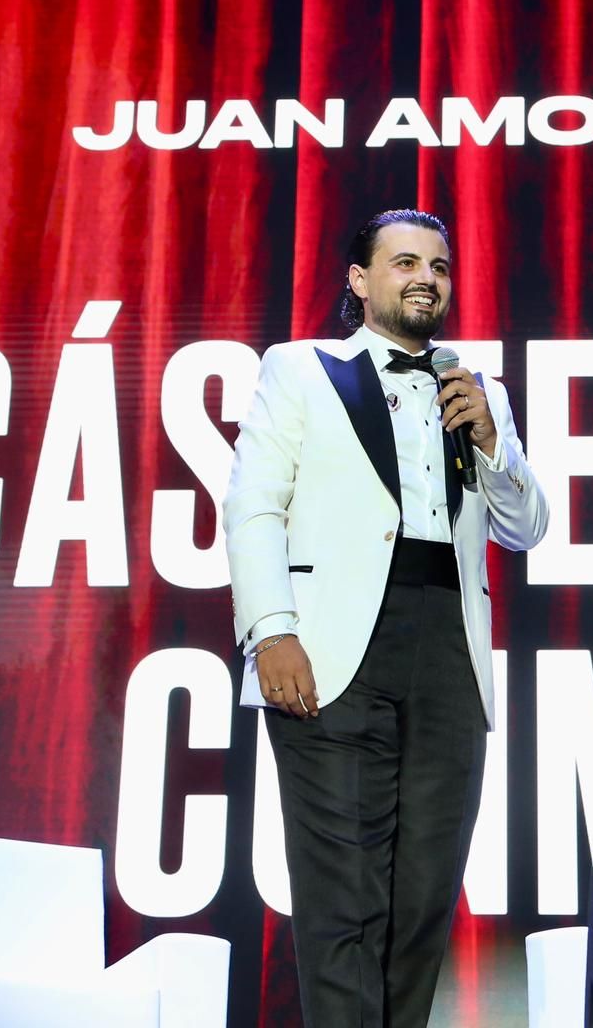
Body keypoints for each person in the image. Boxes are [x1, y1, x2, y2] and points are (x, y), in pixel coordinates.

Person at [223, 208, 549, 1025]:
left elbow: (526, 526)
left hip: (449, 648)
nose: (425, 279)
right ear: (359, 281)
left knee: (424, 899)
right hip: (332, 647)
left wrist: (494, 446)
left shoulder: (479, 392)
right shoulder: (301, 370)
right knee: (343, 899)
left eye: (438, 266)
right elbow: (254, 508)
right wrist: (273, 630)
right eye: (404, 263)